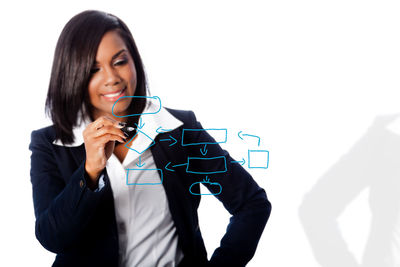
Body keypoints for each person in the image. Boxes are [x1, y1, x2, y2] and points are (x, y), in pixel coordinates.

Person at [29, 10, 271, 267]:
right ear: (72, 74)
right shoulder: (50, 144)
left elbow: (251, 203)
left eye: (120, 61)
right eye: (93, 69)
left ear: (134, 61)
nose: (111, 78)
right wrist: (90, 171)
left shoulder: (178, 129)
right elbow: (52, 238)